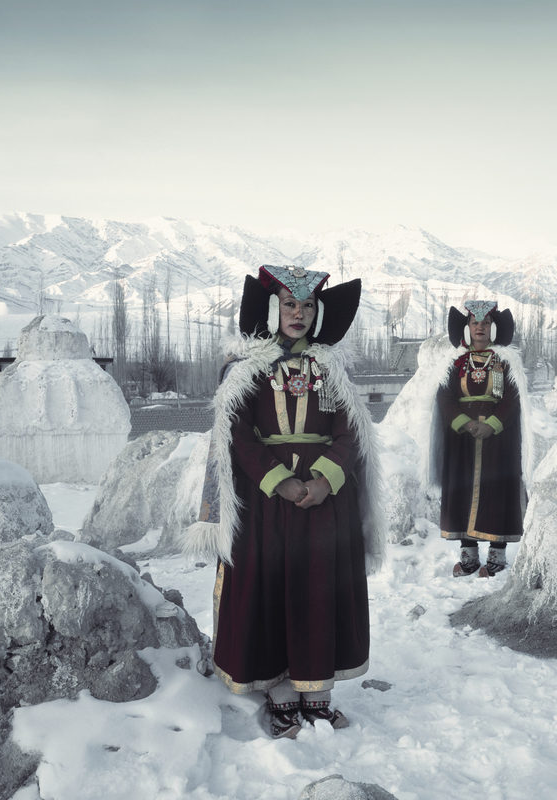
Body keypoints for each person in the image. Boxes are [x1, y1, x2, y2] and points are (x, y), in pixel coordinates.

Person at [187, 264, 385, 739]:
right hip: (265, 506)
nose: (299, 313)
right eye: (290, 304)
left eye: (308, 305)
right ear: (274, 308)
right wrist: (280, 481)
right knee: (270, 591)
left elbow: (351, 433)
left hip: (325, 504)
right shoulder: (245, 369)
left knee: (320, 590)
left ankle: (316, 691)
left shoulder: (332, 368)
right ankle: (278, 691)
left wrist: (322, 481)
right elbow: (236, 435)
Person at [433, 300, 526, 577]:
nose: (480, 328)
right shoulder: (455, 363)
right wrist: (464, 423)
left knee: (497, 492)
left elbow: (512, 397)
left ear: (493, 327)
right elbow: (445, 396)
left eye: (485, 323)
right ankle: (469, 556)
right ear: (467, 327)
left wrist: (493, 424)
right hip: (462, 438)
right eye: (475, 323)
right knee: (463, 490)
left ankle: (497, 555)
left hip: (500, 440)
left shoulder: (505, 363)